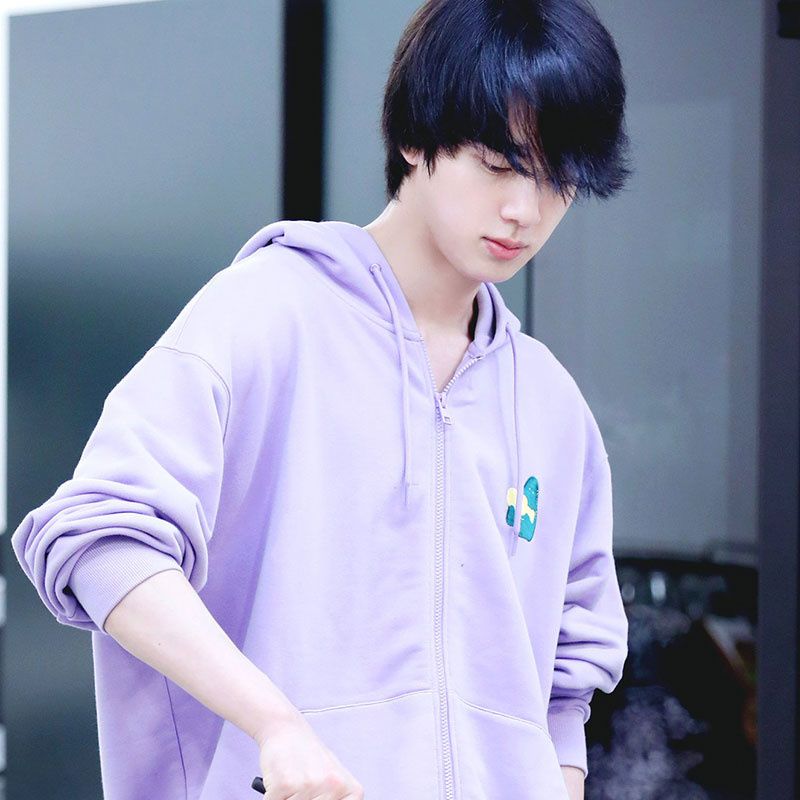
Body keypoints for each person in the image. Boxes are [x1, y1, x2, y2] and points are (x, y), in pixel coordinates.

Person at [11, 0, 632, 798]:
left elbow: (567, 680)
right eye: (499, 164)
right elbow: (97, 536)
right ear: (416, 140)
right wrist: (275, 724)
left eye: (559, 179)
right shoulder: (268, 314)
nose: (526, 211)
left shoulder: (551, 406)